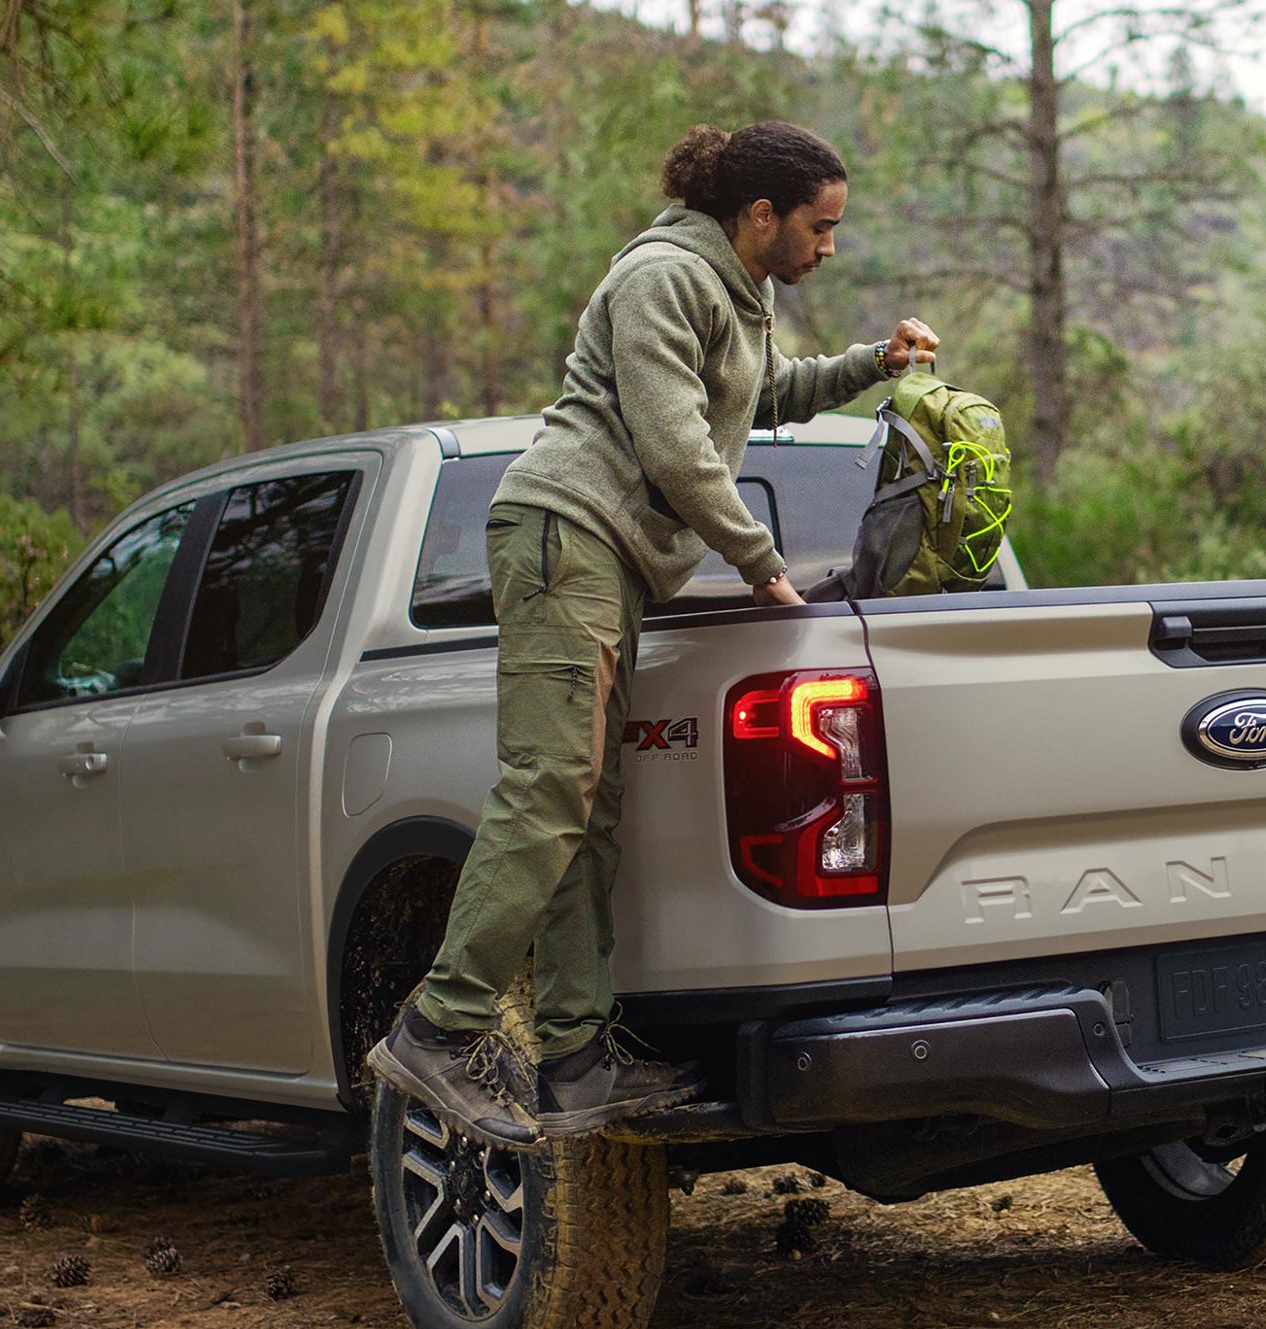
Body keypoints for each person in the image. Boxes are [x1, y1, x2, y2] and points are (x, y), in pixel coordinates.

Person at [368, 120, 940, 1146]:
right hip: (564, 534)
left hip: (612, 560)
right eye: (821, 227)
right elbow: (679, 445)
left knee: (588, 807)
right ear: (759, 214)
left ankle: (577, 1061)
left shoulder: (737, 291)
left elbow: (760, 397)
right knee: (548, 789)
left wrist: (871, 362)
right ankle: (438, 1029)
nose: (830, 247)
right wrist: (765, 565)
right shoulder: (662, 278)